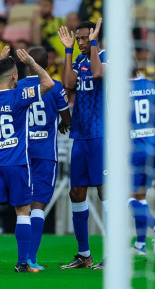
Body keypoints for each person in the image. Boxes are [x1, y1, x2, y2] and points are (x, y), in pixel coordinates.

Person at [0, 46, 54, 274]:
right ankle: (22, 263)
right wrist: (32, 63)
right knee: (22, 212)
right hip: (17, 164)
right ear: (15, 76)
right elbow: (49, 84)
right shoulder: (19, 96)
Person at [15, 47, 71, 270]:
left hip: (21, 154)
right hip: (46, 154)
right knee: (38, 207)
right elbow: (67, 117)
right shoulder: (55, 87)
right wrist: (63, 123)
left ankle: (21, 259)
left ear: (28, 64)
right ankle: (31, 258)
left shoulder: (17, 87)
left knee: (23, 208)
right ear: (45, 64)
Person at [57, 19, 105, 270]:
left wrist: (94, 44)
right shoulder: (79, 59)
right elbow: (67, 83)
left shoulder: (108, 57)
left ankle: (113, 254)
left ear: (96, 37)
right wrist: (68, 50)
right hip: (81, 135)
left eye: (85, 38)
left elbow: (98, 74)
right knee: (76, 192)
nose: (81, 42)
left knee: (104, 192)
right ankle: (84, 255)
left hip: (101, 135)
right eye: (79, 39)